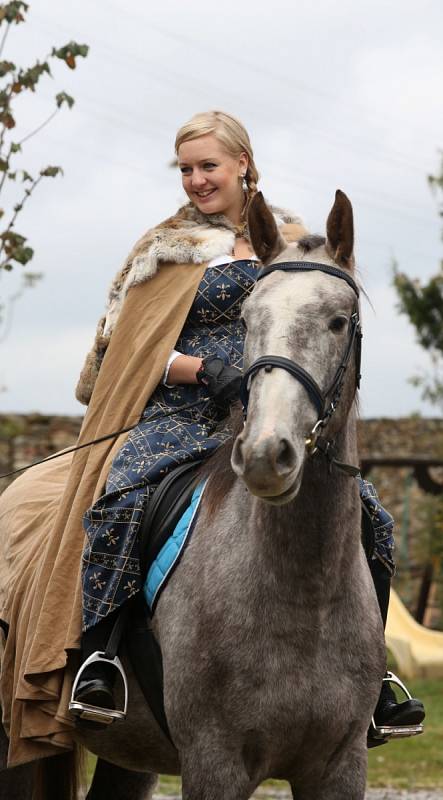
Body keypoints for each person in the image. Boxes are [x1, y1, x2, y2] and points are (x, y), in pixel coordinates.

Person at [70, 110, 424, 731]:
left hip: (274, 412)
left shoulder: (291, 242)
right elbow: (126, 351)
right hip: (182, 414)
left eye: (209, 165)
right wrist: (205, 370)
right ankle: (102, 658)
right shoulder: (163, 252)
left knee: (374, 517)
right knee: (121, 500)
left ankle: (373, 677)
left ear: (243, 164)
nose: (197, 180)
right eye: (186, 169)